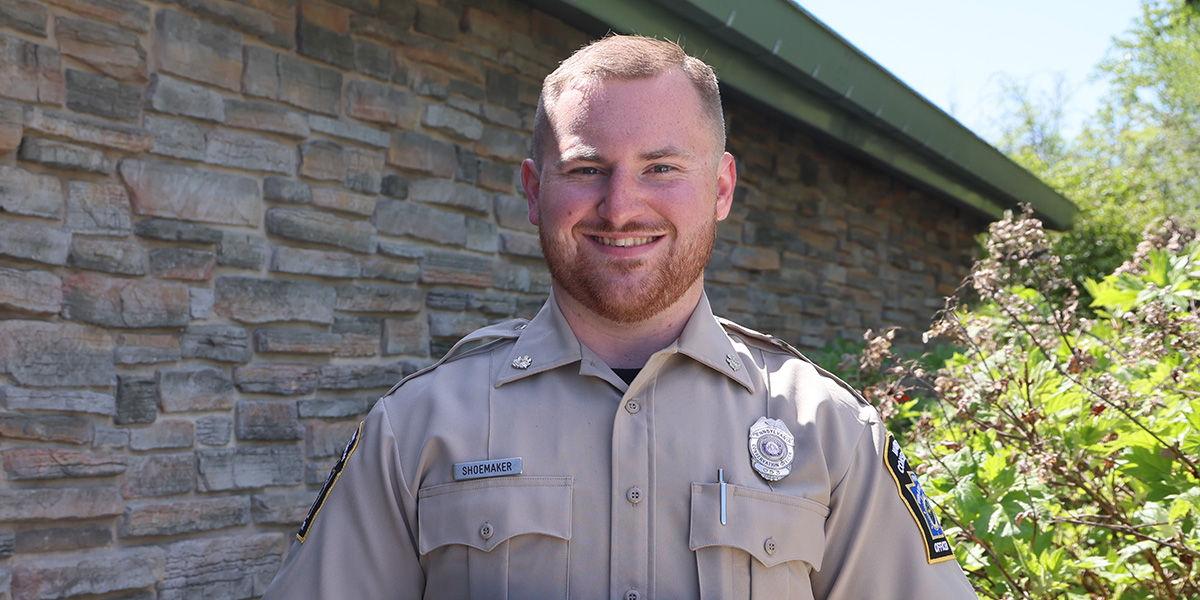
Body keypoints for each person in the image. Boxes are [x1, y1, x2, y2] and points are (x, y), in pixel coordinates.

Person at [263, 34, 978, 599]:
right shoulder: (415, 428)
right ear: (534, 188)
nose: (620, 206)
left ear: (721, 188)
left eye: (662, 168)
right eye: (585, 169)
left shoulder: (828, 430)